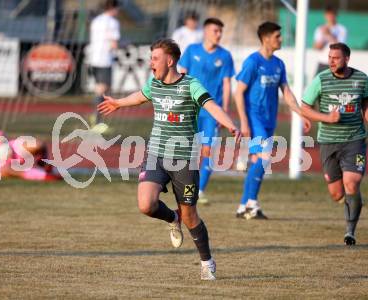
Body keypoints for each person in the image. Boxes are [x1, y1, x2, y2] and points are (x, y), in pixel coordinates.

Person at [98, 38, 240, 280]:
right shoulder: (155, 84)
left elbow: (211, 105)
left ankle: (207, 262)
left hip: (184, 159)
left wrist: (230, 124)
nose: (151, 63)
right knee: (146, 204)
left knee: (191, 215)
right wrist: (119, 103)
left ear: (170, 60)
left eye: (155, 58)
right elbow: (140, 96)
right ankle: (172, 218)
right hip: (156, 154)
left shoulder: (191, 85)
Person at [234, 22, 310, 220]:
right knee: (265, 158)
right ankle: (251, 202)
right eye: (277, 36)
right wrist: (243, 121)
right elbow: (238, 92)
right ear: (266, 38)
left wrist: (302, 114)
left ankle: (244, 206)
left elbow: (287, 92)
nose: (281, 39)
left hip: (269, 119)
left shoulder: (278, 64)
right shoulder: (253, 62)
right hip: (254, 118)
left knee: (257, 161)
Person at [301, 43, 367, 246]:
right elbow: (305, 106)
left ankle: (350, 232)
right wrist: (325, 118)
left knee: (352, 182)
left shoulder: (362, 79)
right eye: (329, 57)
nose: (331, 61)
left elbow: (365, 105)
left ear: (346, 59)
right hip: (328, 141)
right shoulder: (321, 79)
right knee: (337, 193)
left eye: (336, 58)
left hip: (354, 139)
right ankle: (353, 201)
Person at [178, 17, 234, 204]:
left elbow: (227, 84)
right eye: (215, 31)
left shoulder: (225, 56)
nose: (218, 34)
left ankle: (199, 190)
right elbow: (182, 75)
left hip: (212, 112)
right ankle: (185, 188)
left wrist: (224, 111)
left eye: (220, 31)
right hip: (190, 109)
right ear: (205, 31)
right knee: (189, 152)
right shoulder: (192, 50)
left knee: (208, 151)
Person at [88, 0, 120, 131]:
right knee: (103, 88)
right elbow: (114, 44)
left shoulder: (96, 21)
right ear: (113, 8)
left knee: (99, 88)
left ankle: (96, 119)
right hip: (104, 59)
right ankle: (97, 120)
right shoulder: (113, 22)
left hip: (93, 58)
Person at [313, 6, 347, 74]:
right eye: (328, 15)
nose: (330, 17)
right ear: (325, 16)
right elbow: (316, 47)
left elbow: (341, 47)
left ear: (336, 15)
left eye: (332, 14)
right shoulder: (320, 29)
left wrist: (329, 34)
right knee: (317, 84)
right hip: (322, 62)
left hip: (336, 64)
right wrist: (323, 37)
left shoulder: (341, 29)